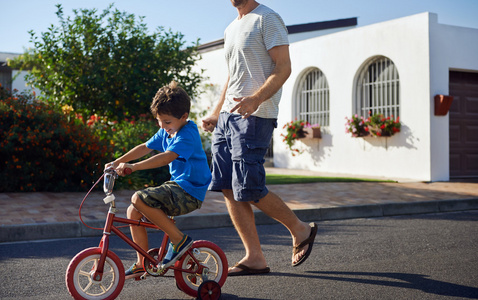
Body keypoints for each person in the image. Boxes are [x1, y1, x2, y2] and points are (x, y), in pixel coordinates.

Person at [202, 0, 317, 276]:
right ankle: (254, 257)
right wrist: (217, 112)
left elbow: (283, 67)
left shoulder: (268, 18)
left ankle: (301, 229)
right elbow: (233, 76)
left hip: (255, 115)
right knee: (227, 187)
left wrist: (255, 99)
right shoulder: (231, 28)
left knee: (249, 187)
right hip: (229, 118)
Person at [106, 81, 212, 277]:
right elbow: (145, 147)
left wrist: (134, 167)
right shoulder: (167, 130)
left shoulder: (187, 133)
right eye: (159, 121)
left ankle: (179, 240)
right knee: (133, 210)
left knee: (138, 198)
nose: (162, 127)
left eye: (167, 122)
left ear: (184, 117)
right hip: (177, 187)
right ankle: (142, 262)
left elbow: (167, 157)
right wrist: (116, 162)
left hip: (190, 192)